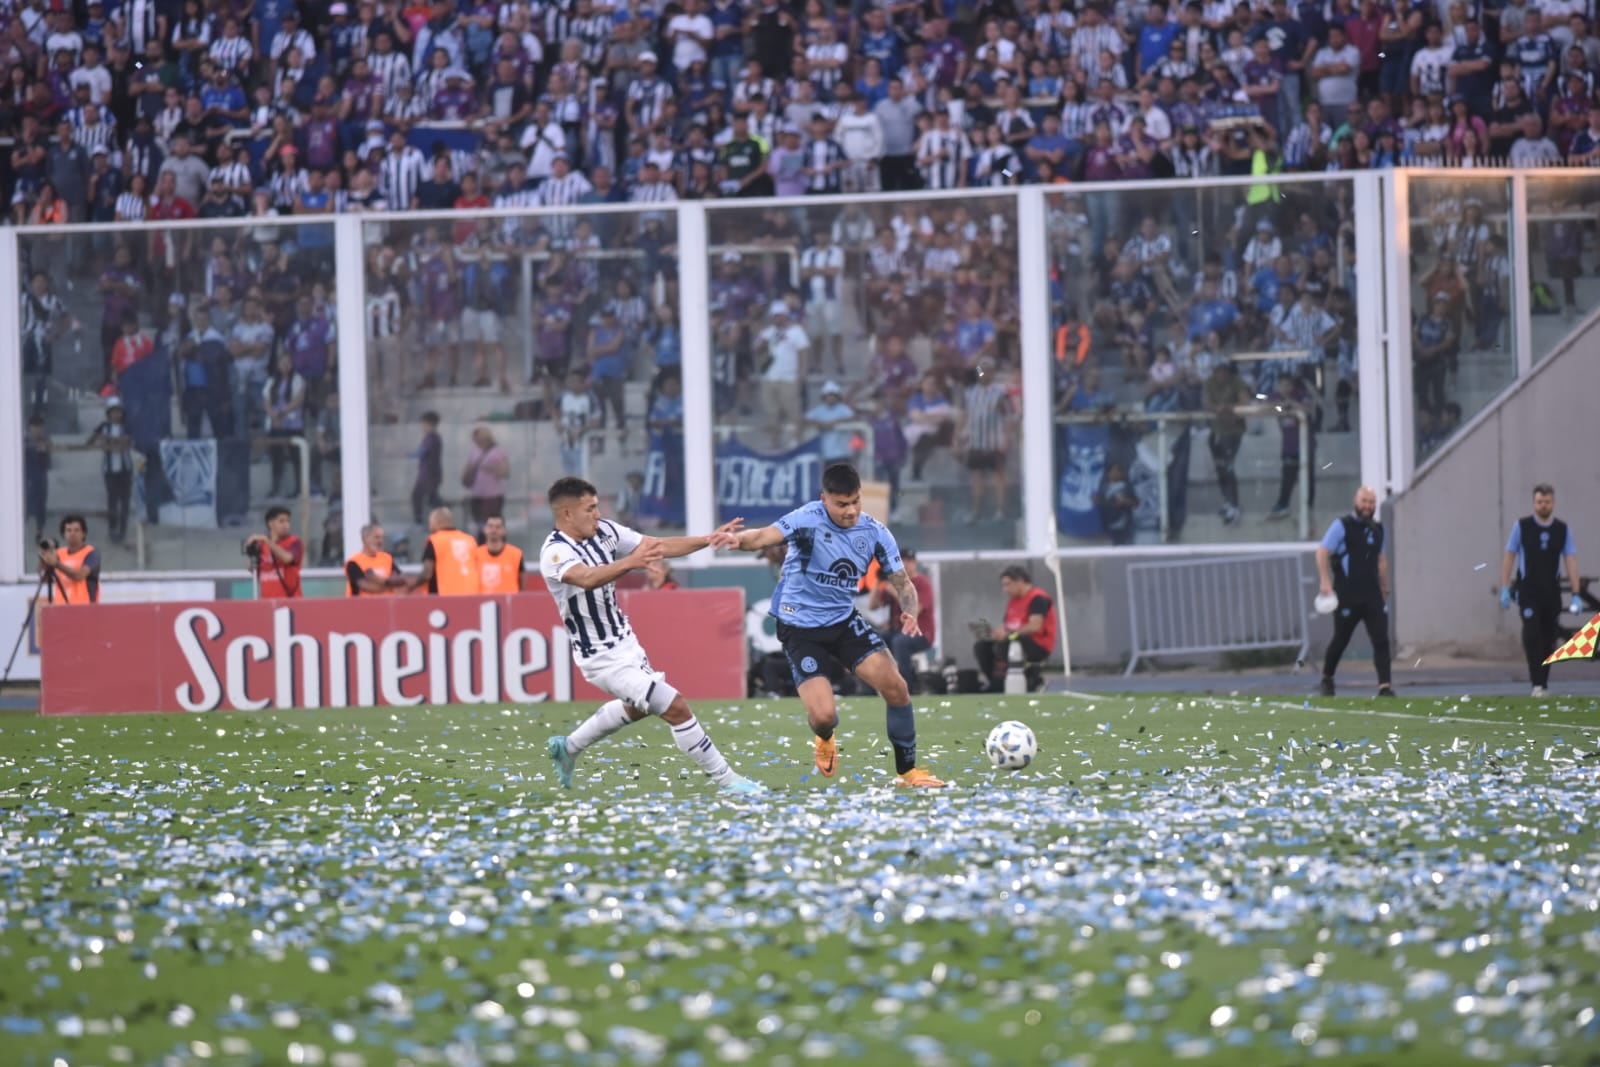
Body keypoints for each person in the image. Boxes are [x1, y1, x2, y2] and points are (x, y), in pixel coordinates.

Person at [540, 476, 765, 795]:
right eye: (589, 509)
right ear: (566, 514)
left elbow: (657, 546)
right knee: (674, 705)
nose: (597, 514)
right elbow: (586, 578)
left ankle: (569, 748)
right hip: (601, 658)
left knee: (638, 706)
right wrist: (630, 562)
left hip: (626, 642)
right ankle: (729, 781)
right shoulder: (554, 553)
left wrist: (708, 539)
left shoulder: (605, 531)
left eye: (597, 506)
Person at [726, 462, 945, 787]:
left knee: (896, 688)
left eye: (856, 501)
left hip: (843, 622)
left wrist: (909, 610)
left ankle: (908, 772)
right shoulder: (806, 519)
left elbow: (902, 583)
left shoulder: (874, 532)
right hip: (799, 628)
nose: (851, 510)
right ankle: (825, 736)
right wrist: (738, 540)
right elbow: (763, 536)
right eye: (842, 504)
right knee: (824, 716)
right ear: (824, 499)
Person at [1500, 483, 1583, 696]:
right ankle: (1535, 682)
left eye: (1546, 502)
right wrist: (1504, 587)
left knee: (1548, 638)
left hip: (1551, 592)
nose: (1543, 506)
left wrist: (1576, 594)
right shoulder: (1522, 526)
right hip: (1528, 591)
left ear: (1552, 503)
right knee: (1532, 634)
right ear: (1534, 503)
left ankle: (1543, 683)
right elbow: (1510, 555)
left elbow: (1570, 560)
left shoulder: (1562, 530)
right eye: (1539, 502)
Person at [1315, 485, 1394, 697]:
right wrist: (1325, 581)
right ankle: (1327, 678)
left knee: (1381, 639)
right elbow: (1323, 551)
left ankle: (1384, 686)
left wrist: (1385, 587)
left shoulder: (1378, 529)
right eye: (1364, 501)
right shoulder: (1342, 525)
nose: (1367, 506)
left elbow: (1381, 560)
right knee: (1341, 638)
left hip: (1372, 595)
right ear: (1355, 501)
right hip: (1347, 594)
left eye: (1371, 502)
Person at [973, 565, 1056, 693]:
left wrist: (1008, 634)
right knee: (982, 647)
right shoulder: (1013, 601)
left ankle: (1031, 678)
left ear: (1020, 581)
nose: (1005, 589)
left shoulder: (1038, 598)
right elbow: (1007, 624)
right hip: (1013, 638)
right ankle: (997, 683)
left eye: (1008, 585)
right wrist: (997, 633)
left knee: (1009, 641)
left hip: (1037, 644)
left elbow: (1035, 626)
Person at [868, 547, 935, 694]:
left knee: (900, 642)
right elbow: (872, 606)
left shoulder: (922, 583)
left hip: (919, 632)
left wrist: (893, 591)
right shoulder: (895, 583)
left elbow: (915, 610)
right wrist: (879, 582)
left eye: (909, 561)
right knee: (872, 640)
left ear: (915, 563)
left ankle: (905, 688)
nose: (906, 564)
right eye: (903, 561)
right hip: (897, 631)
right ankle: (871, 687)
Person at [415, 506, 481, 596]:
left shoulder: (435, 541)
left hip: (445, 598)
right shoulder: (470, 540)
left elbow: (427, 573)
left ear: (436, 522)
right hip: (471, 596)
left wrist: (411, 586)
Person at [246, 505, 304, 599]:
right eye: (281, 521)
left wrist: (268, 541)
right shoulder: (261, 545)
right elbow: (256, 570)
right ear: (271, 524)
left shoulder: (294, 542)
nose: (286, 525)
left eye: (288, 521)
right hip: (267, 601)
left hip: (290, 600)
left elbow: (287, 559)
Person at [40, 514, 100, 605]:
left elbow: (79, 575)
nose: (72, 533)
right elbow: (45, 579)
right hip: (61, 607)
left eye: (76, 530)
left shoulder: (91, 553)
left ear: (83, 533)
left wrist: (56, 564)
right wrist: (44, 559)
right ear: (63, 534)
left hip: (85, 608)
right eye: (68, 530)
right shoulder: (59, 553)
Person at [346, 522, 404, 596]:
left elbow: (401, 580)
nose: (380, 541)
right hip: (364, 606)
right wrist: (391, 584)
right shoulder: (354, 562)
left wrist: (377, 579)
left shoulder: (387, 558)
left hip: (388, 605)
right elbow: (368, 587)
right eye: (376, 537)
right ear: (364, 539)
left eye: (382, 537)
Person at [476, 515, 525, 594]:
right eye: (490, 526)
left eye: (498, 527)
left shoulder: (516, 554)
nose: (494, 530)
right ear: (485, 529)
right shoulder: (476, 554)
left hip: (509, 603)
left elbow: (522, 582)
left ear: (504, 530)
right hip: (482, 603)